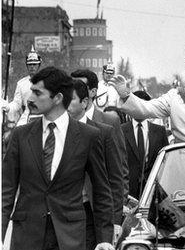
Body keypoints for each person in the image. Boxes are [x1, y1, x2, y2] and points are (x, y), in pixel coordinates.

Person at [2, 67, 114, 250]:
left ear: (58, 98)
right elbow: (5, 190)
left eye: (38, 93)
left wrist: (104, 238)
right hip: (26, 238)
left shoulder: (88, 136)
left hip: (69, 237)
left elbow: (102, 191)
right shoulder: (20, 135)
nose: (30, 98)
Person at [68, 79, 125, 249]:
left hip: (90, 214)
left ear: (84, 102)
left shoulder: (103, 133)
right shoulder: (54, 132)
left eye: (69, 99)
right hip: (60, 214)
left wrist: (114, 221)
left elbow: (115, 179)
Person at [71, 69, 129, 201]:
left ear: (93, 92)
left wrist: (118, 207)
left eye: (81, 86)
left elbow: (120, 169)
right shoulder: (62, 122)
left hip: (98, 206)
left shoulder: (109, 122)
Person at [121, 90, 169, 199]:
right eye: (135, 106)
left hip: (154, 190)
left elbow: (165, 162)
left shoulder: (159, 131)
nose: (138, 110)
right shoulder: (120, 130)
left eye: (142, 106)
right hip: (128, 190)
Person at [1, 46, 42, 126]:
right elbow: (17, 103)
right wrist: (8, 107)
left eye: (34, 64)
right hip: (27, 116)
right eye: (30, 65)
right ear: (27, 66)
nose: (32, 67)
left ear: (39, 65)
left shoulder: (46, 80)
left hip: (43, 115)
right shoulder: (21, 83)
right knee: (17, 133)